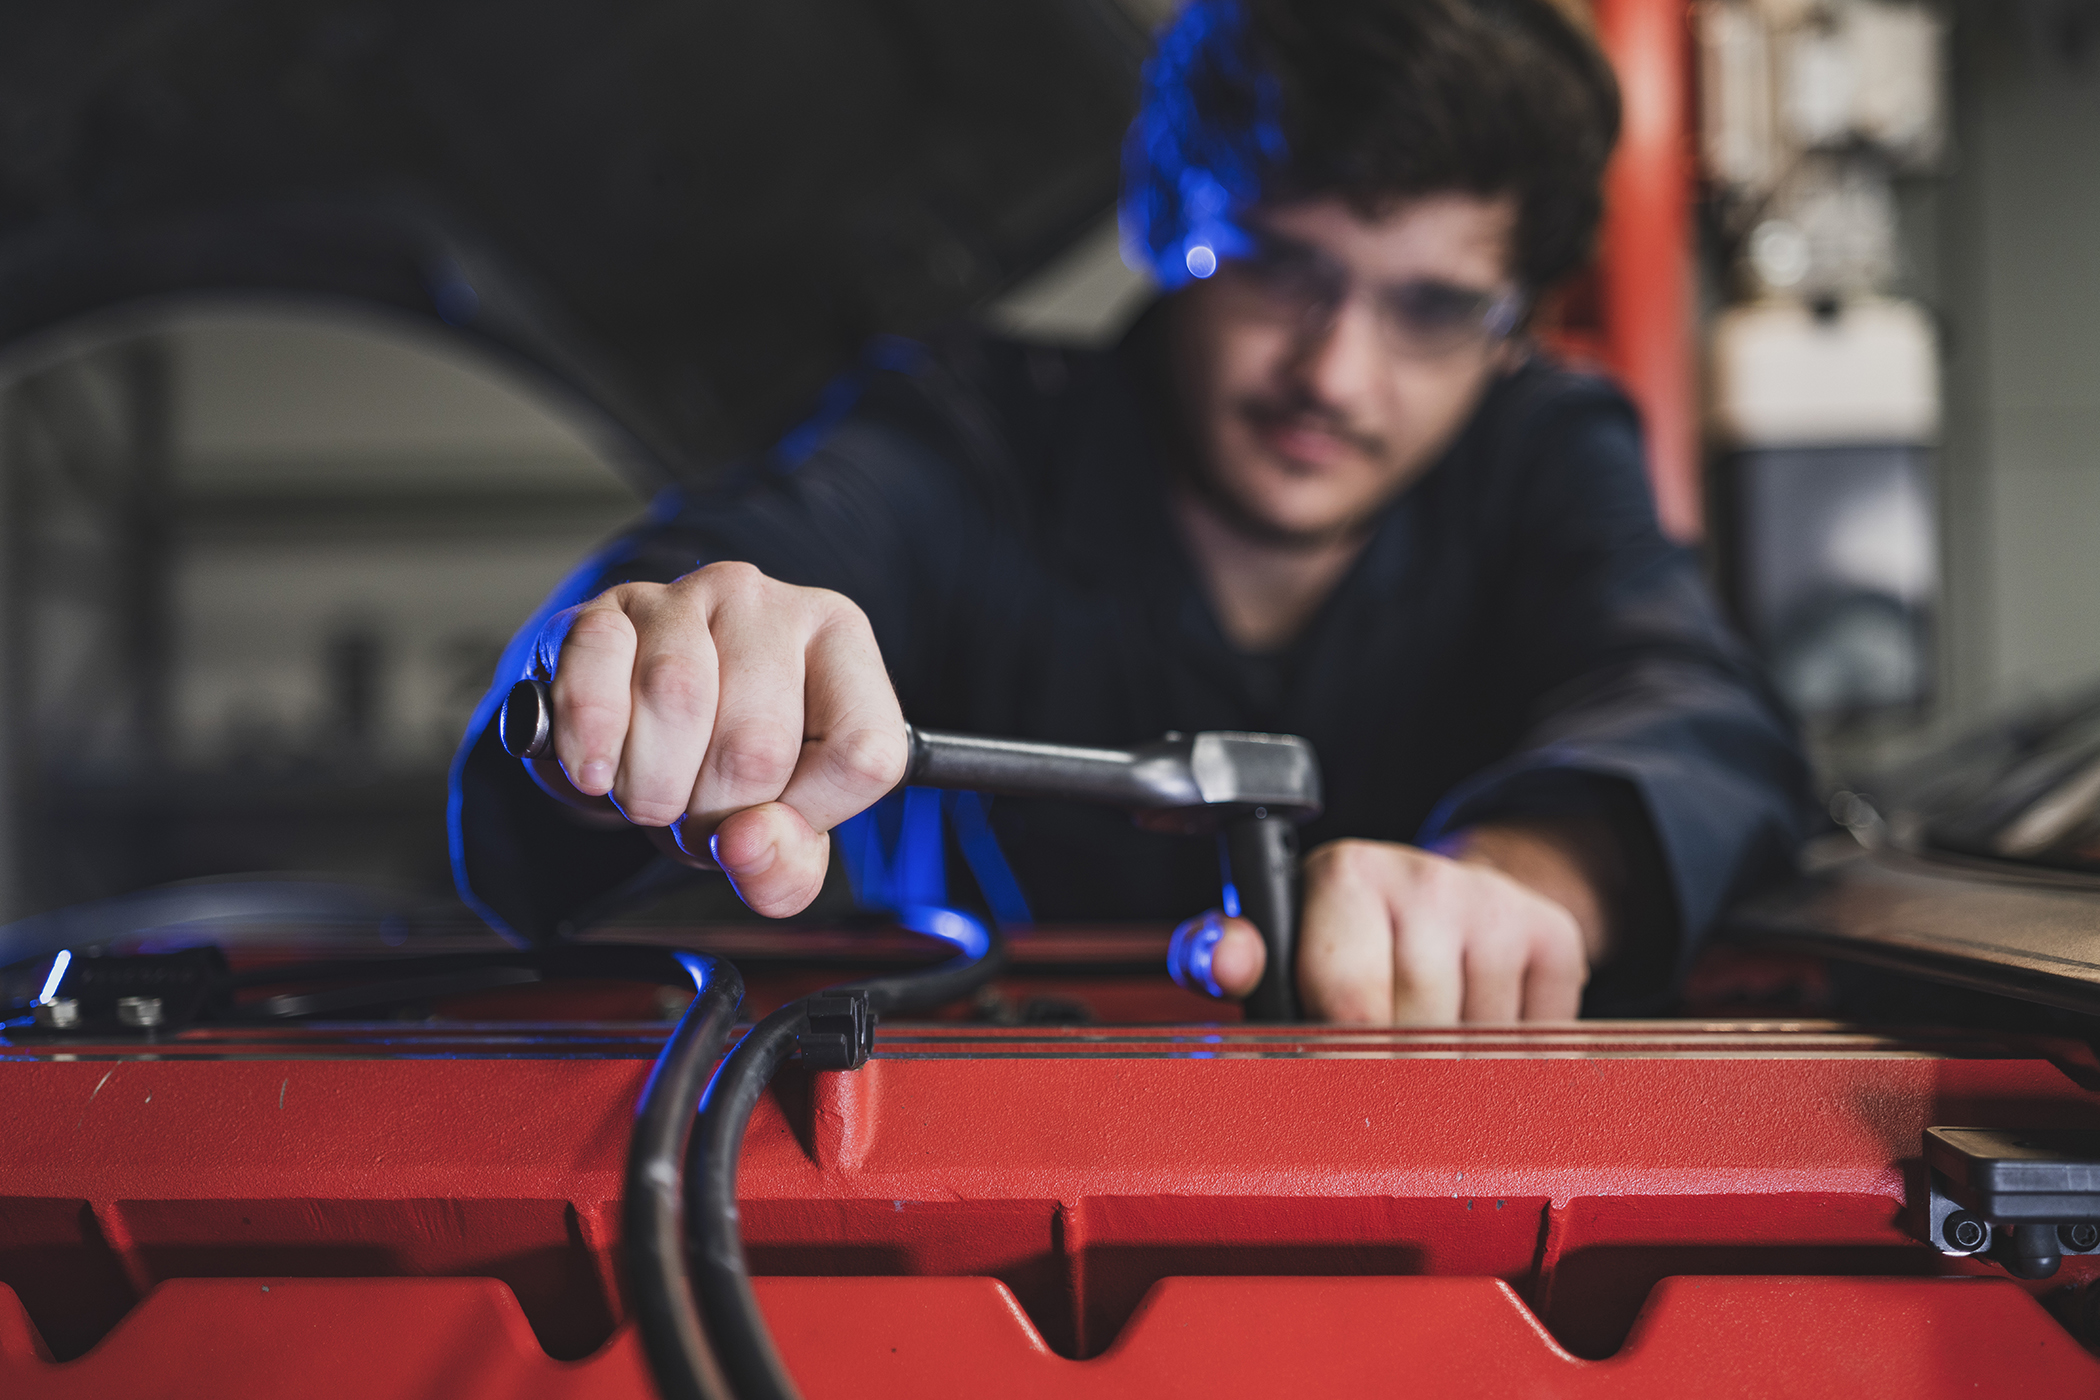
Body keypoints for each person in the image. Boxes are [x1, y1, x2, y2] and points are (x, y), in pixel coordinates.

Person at [451, 0, 1809, 1023]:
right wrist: (655, 673)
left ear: (1517, 329)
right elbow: (727, 571)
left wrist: (1533, 874)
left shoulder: (1545, 457)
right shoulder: (967, 432)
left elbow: (1689, 699)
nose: (1333, 374)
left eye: (1434, 308)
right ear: (1163, 215)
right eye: (1278, 265)